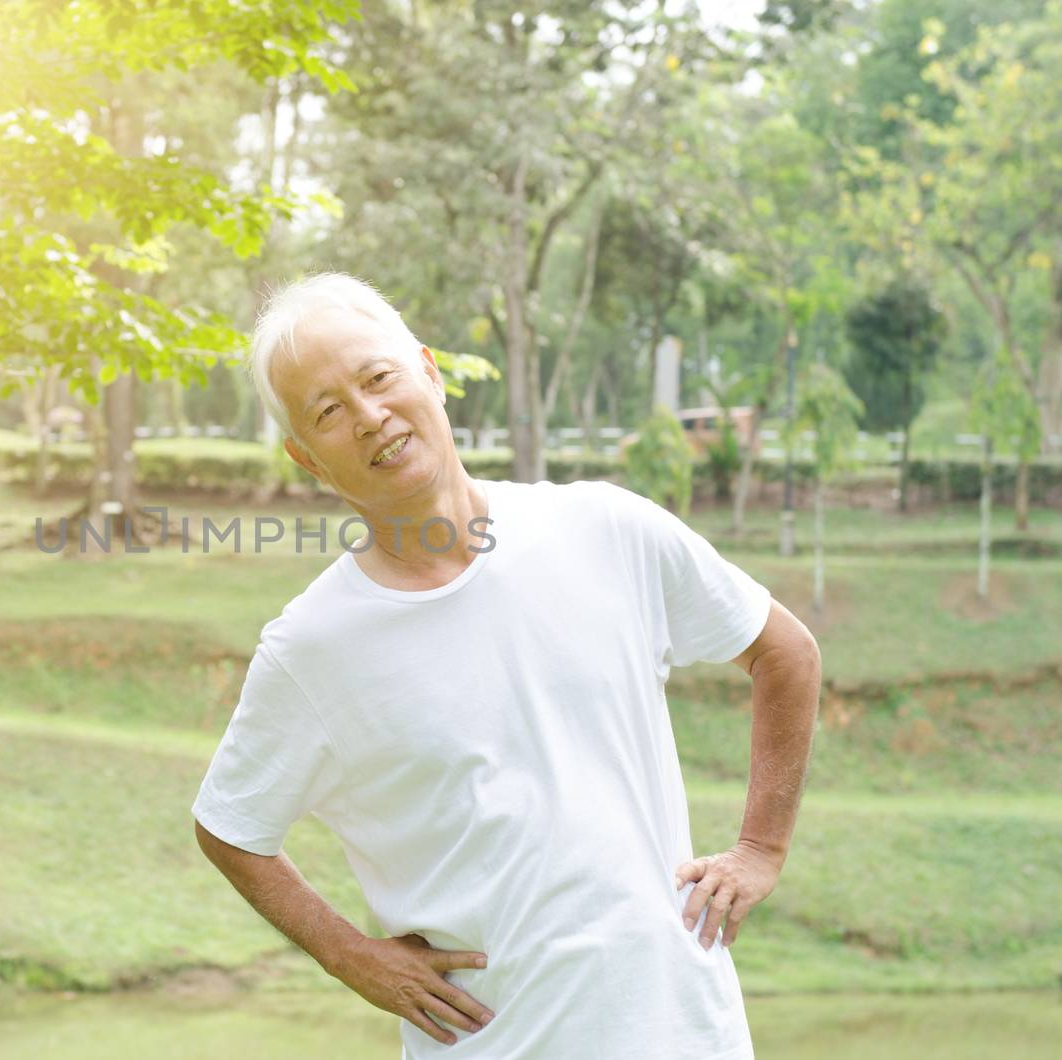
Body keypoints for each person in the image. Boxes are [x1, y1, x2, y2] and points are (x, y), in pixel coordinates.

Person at [190, 273, 822, 1058]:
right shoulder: (311, 649)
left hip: (685, 1033)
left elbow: (784, 651)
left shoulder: (606, 528)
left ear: (429, 370)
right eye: (327, 412)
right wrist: (352, 958)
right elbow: (230, 827)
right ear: (306, 459)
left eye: (377, 377)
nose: (369, 416)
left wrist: (760, 850)